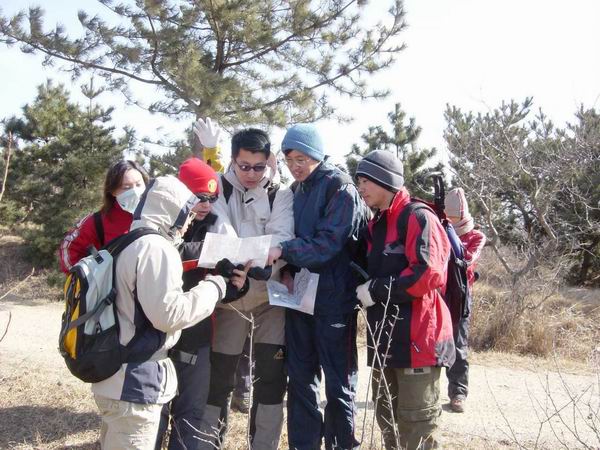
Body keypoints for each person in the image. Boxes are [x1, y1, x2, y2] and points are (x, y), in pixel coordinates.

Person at [91, 175, 246, 449]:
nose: (188, 223)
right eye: (187, 213)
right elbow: (169, 315)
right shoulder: (155, 248)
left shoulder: (128, 241)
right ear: (172, 211)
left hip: (116, 373)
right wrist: (216, 286)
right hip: (135, 380)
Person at [266, 124, 367, 450]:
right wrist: (286, 270)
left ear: (317, 155)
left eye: (302, 158)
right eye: (289, 160)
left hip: (335, 300)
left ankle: (342, 444)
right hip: (300, 297)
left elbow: (327, 244)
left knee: (338, 383)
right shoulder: (297, 190)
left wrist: (284, 251)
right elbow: (294, 235)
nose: (295, 166)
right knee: (300, 378)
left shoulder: (340, 188)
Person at [197, 128, 294, 450]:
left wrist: (263, 255)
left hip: (270, 298)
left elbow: (282, 234)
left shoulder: (281, 193)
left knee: (271, 379)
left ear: (269, 161)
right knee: (219, 377)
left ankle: (264, 445)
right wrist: (246, 255)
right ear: (233, 160)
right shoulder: (220, 187)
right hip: (231, 301)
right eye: (244, 166)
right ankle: (208, 443)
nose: (251, 174)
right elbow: (222, 229)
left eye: (259, 167)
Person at [353, 150, 455, 450]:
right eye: (359, 181)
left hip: (420, 341)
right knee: (388, 421)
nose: (360, 187)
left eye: (366, 181)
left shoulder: (418, 217)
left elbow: (428, 273)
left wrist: (376, 290)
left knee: (417, 428)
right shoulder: (377, 224)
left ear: (386, 181)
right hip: (386, 342)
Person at [156, 158, 237, 449]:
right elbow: (167, 253)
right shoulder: (159, 219)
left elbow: (227, 278)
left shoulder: (216, 224)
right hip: (157, 331)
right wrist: (209, 252)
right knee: (155, 410)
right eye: (200, 197)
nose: (206, 205)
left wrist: (236, 282)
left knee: (191, 411)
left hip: (197, 330)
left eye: (212, 199)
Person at [59, 159, 148, 273]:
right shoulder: (98, 221)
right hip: (115, 283)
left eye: (139, 184)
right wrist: (84, 277)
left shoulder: (158, 215)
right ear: (112, 191)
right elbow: (69, 248)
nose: (135, 191)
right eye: (126, 187)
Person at [444, 187, 486, 414]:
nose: (450, 220)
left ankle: (458, 393)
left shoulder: (476, 236)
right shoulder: (440, 228)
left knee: (458, 345)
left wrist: (449, 234)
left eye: (454, 216)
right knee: (433, 342)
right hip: (438, 291)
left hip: (461, 294)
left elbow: (466, 258)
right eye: (447, 216)